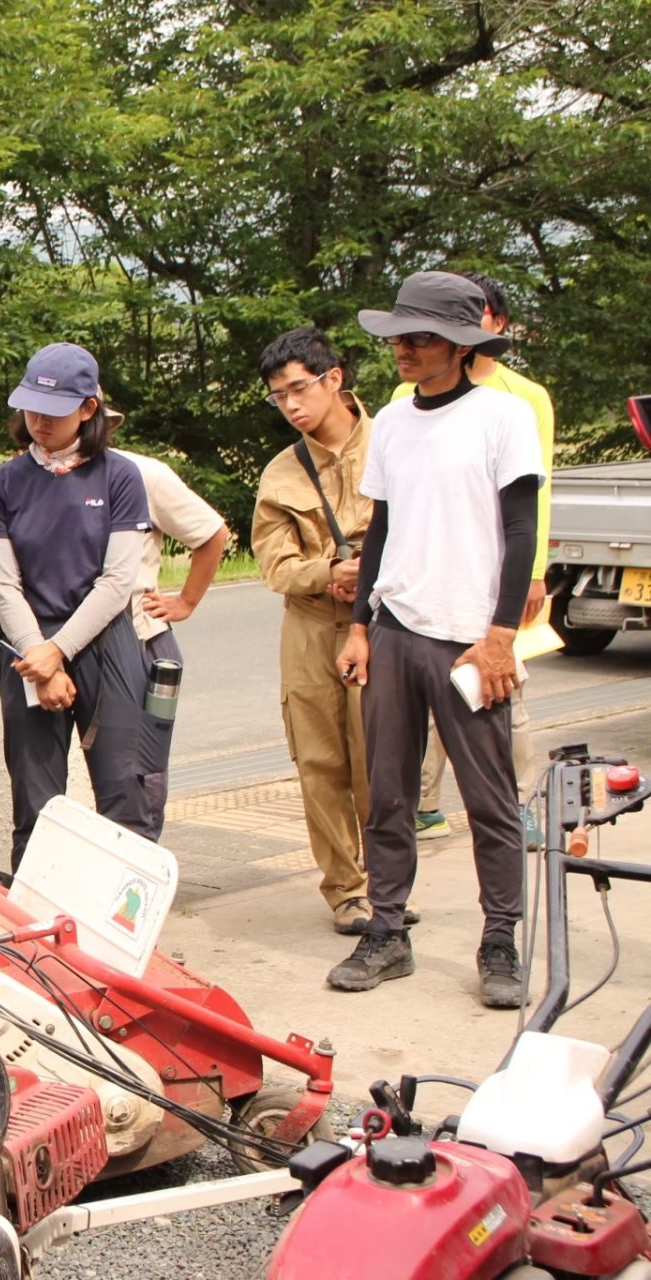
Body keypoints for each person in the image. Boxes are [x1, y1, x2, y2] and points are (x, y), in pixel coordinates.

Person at [333, 272, 543, 1008]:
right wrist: (361, 624)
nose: (403, 349)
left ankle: (500, 939)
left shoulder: (501, 417)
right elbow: (381, 528)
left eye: (420, 337)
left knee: (491, 799)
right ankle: (387, 931)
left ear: (459, 346)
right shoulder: (391, 422)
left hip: (468, 637)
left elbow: (521, 531)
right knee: (387, 794)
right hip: (396, 629)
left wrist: (500, 635)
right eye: (398, 335)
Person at [0, 343, 159, 865]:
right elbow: (4, 585)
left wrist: (59, 651)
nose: (39, 421)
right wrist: (41, 657)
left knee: (124, 792)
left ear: (88, 409)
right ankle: (37, 933)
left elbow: (118, 580)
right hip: (27, 644)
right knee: (36, 802)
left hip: (104, 639)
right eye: (30, 407)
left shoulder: (118, 476)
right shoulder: (4, 482)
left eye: (54, 412)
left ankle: (125, 932)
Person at [394, 273, 555, 844]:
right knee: (427, 711)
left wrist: (533, 573)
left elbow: (535, 498)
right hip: (420, 591)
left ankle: (523, 805)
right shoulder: (400, 400)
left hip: (491, 585)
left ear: (491, 326)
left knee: (500, 693)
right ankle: (426, 804)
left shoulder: (521, 399)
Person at [251, 327, 380, 936]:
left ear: (334, 379)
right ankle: (347, 892)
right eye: (279, 396)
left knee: (381, 760)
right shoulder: (281, 473)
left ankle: (391, 882)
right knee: (320, 763)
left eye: (300, 389)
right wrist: (329, 571)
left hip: (383, 623)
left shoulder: (392, 445)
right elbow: (274, 564)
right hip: (309, 626)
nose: (292, 405)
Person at [111, 424, 229, 834]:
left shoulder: (145, 474)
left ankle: (142, 879)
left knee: (142, 771)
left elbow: (212, 533)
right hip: (70, 645)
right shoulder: (42, 480)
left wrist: (187, 601)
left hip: (144, 641)